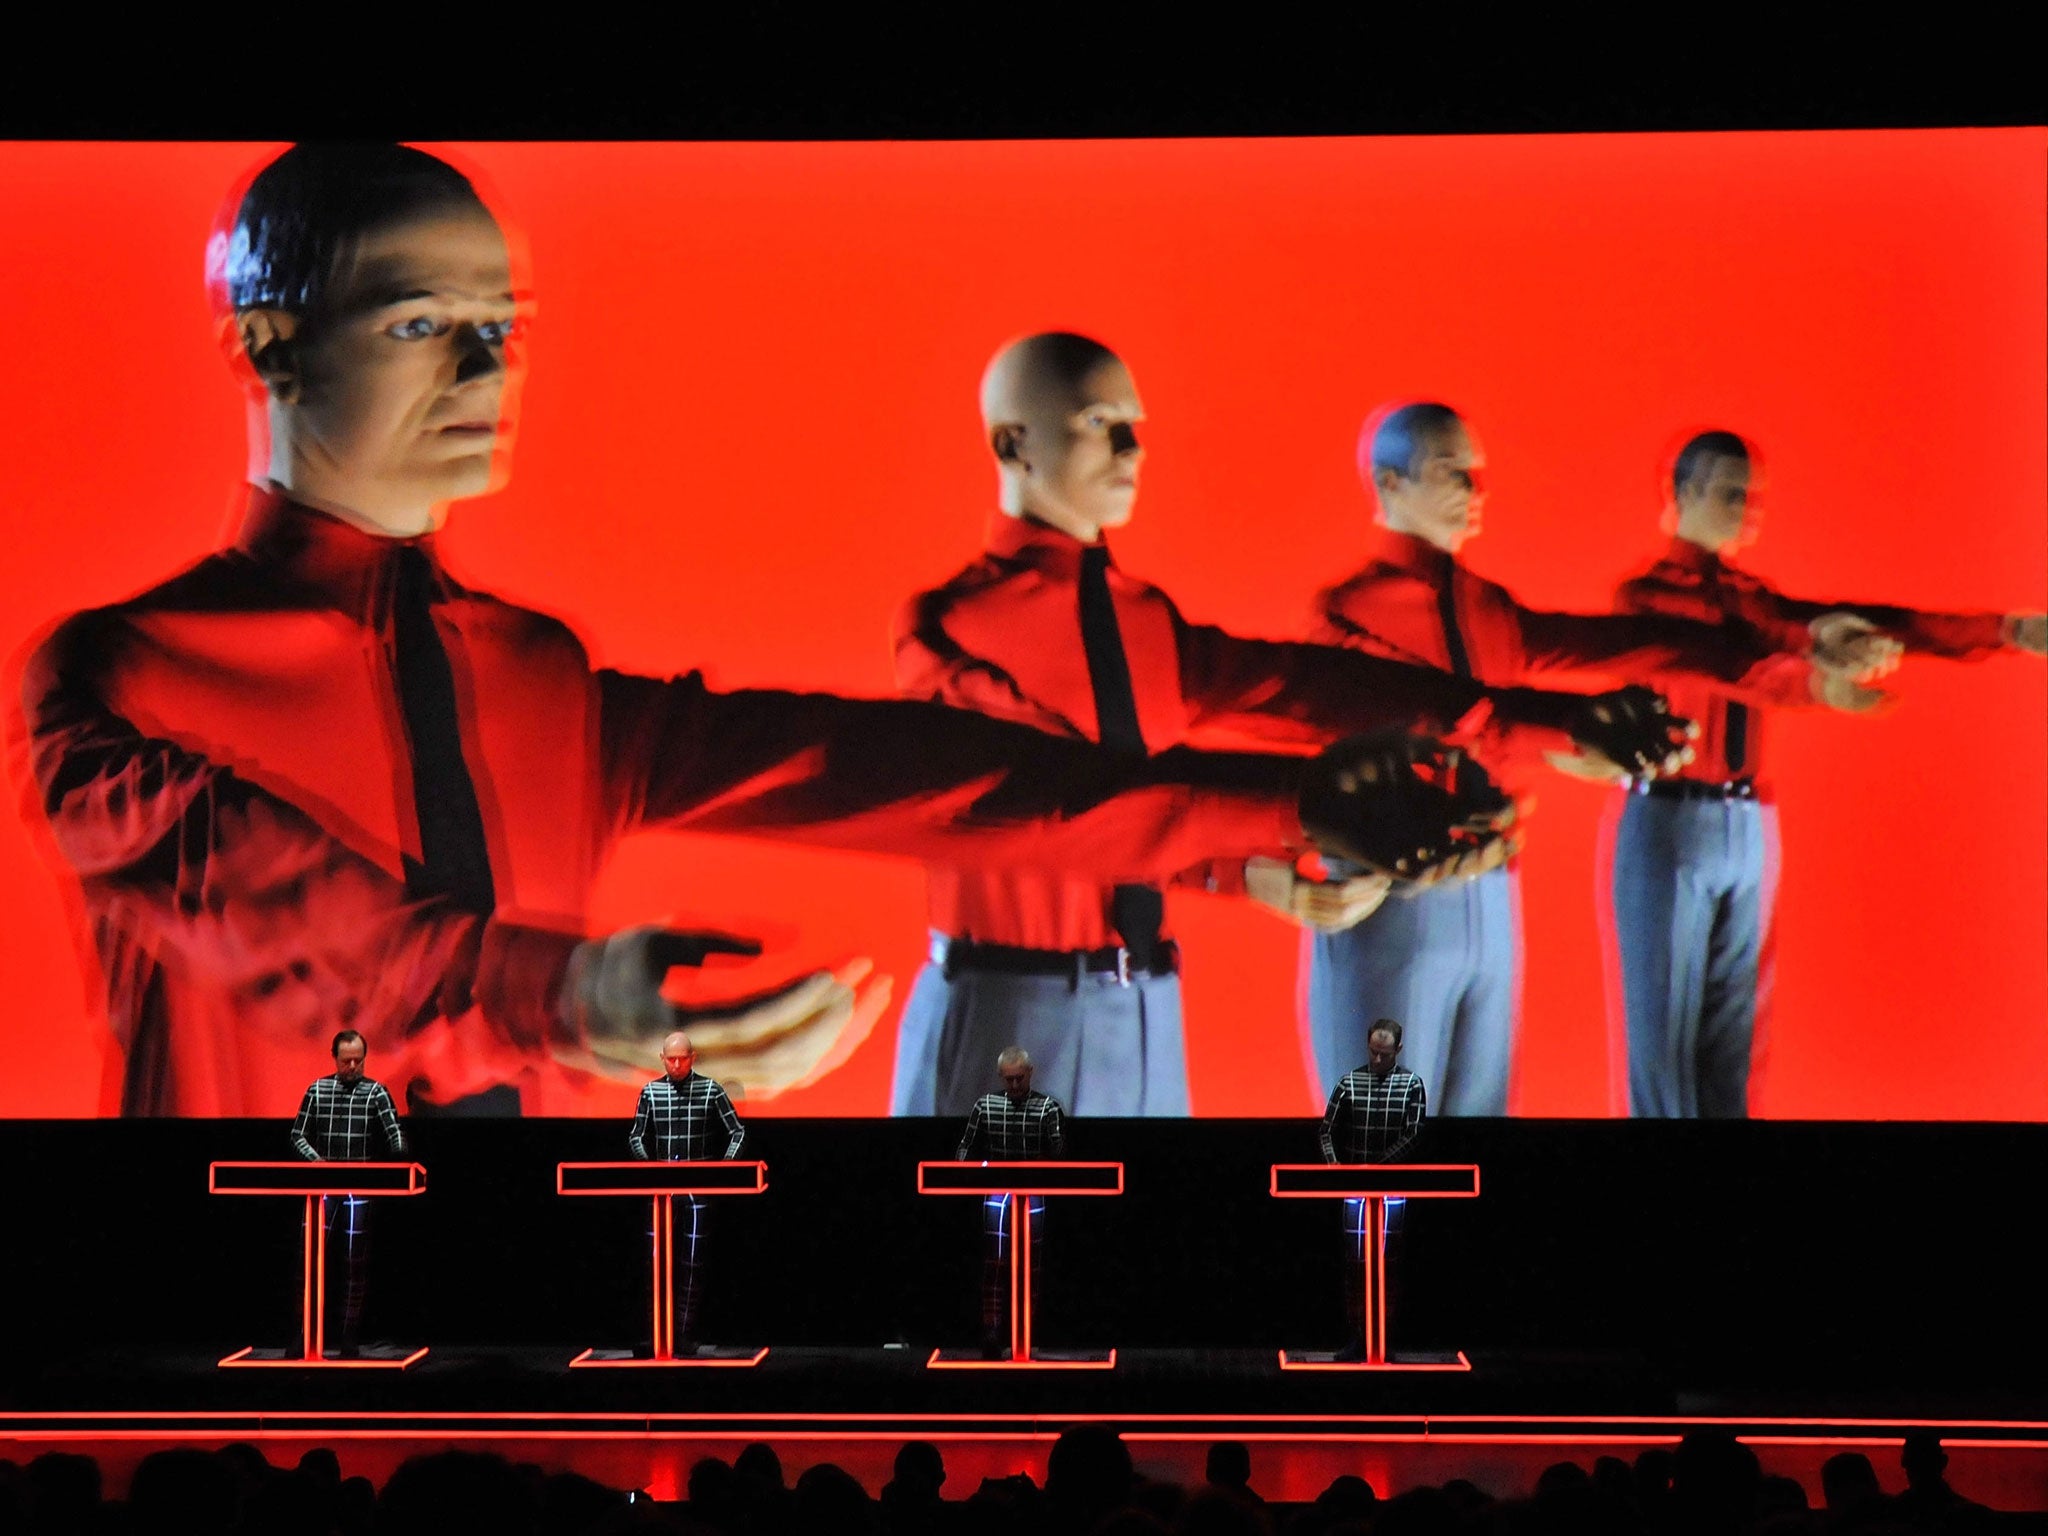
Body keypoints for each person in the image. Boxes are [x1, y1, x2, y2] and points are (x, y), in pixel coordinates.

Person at [6, 144, 1517, 1122]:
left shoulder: (532, 673)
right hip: (239, 1360)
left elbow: (894, 768)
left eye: (505, 324)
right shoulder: (118, 675)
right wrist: (567, 997)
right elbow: (274, 904)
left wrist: (1281, 805)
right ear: (266, 341)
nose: (487, 363)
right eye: (421, 321)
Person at [890, 335, 1700, 1118]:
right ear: (1012, 443)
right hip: (1009, 1009)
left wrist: (1549, 723)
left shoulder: (1144, 622)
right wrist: (1264, 840)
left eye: (1134, 424)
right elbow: (1067, 810)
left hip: (1144, 1005)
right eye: (1101, 424)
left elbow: (1302, 686)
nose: (1134, 448)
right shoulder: (954, 627)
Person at [1304, 402, 1834, 1113]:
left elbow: (1627, 644)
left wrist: (1801, 654)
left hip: (1491, 899)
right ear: (1389, 484)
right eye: (1450, 471)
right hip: (1390, 898)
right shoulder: (1346, 613)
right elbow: (1424, 731)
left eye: (1477, 472)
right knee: (1381, 1145)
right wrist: (1565, 740)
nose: (1473, 488)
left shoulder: (1490, 608)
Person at [1604, 429, 2048, 1116]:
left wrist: (1998, 631)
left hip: (1746, 822)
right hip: (1669, 819)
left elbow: (1859, 622)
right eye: (1731, 492)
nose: (1748, 509)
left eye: (1753, 496)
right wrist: (1812, 659)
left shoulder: (1754, 598)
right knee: (1665, 1056)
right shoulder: (1650, 598)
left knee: (1733, 1047)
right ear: (1684, 491)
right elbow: (1734, 650)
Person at [288, 1028, 406, 1357]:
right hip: (322, 1191)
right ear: (335, 1058)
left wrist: (398, 1155)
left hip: (360, 1187)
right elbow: (297, 1135)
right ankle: (303, 1333)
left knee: (355, 1263)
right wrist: (319, 1163)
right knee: (309, 1262)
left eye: (358, 1060)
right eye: (346, 1061)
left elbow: (394, 1133)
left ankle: (349, 1336)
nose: (352, 1066)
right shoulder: (318, 1089)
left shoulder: (376, 1093)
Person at [626, 1030, 743, 1355]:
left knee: (693, 1263)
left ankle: (683, 1333)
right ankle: (656, 1335)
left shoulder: (709, 1090)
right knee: (655, 1262)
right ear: (663, 1059)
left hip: (698, 1188)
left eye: (683, 1058)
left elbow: (737, 1131)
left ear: (692, 1058)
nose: (677, 1065)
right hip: (660, 1190)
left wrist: (722, 1169)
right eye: (671, 1059)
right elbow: (636, 1136)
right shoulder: (651, 1091)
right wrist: (650, 1167)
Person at [1318, 1019, 1424, 1360]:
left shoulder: (1411, 1085)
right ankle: (1358, 1338)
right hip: (1353, 1190)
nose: (1377, 1060)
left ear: (1398, 1051)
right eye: (1373, 1052)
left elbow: (1414, 1134)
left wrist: (1376, 1170)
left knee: (1387, 1263)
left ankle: (1383, 1339)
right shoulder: (1349, 1082)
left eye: (1385, 1054)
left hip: (1392, 1190)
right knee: (1355, 1264)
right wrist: (1336, 1168)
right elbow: (1326, 1130)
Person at [956, 1045, 1066, 1357]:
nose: (1014, 1086)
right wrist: (961, 1173)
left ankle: (1028, 1331)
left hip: (1033, 1191)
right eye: (1009, 1080)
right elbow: (967, 1145)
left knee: (1032, 1263)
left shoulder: (1047, 1108)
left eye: (1019, 1079)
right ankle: (991, 1329)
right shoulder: (986, 1105)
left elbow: (1059, 1153)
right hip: (997, 1188)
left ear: (1029, 1073)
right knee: (995, 1260)